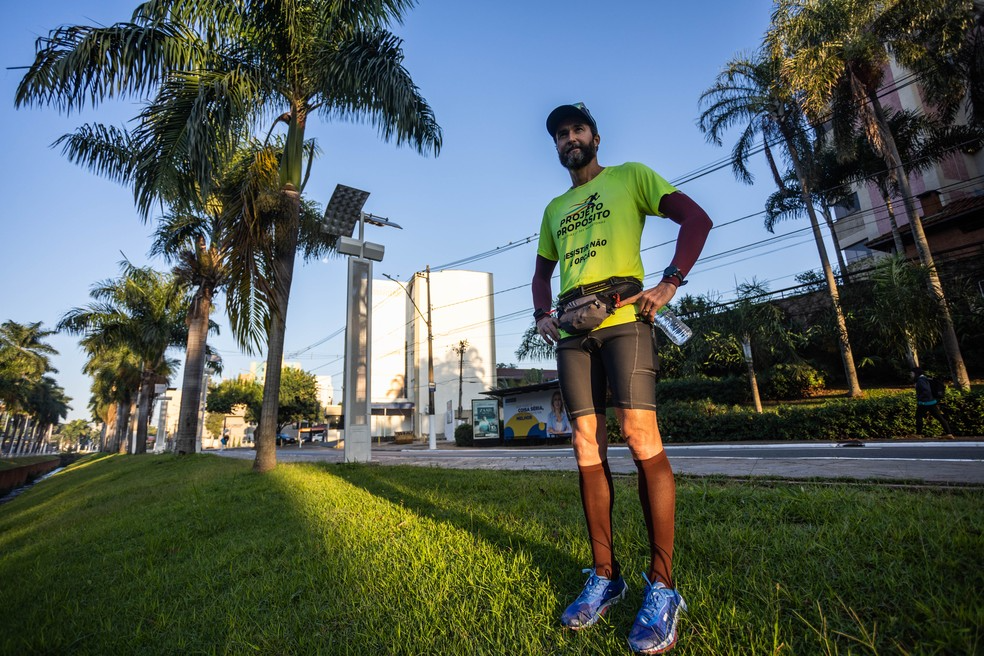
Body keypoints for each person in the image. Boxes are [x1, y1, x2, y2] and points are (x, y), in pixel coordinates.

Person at [532, 102, 712, 654]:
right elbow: (541, 273)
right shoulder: (554, 207)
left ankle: (663, 588)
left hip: (624, 317)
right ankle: (605, 577)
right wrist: (543, 315)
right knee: (586, 444)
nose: (570, 139)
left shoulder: (631, 177)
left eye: (577, 129)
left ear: (595, 136)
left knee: (639, 435)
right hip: (571, 331)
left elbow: (696, 219)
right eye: (561, 134)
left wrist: (669, 283)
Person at [912, 368, 953, 438]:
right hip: (932, 402)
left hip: (925, 403)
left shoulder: (921, 380)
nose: (911, 375)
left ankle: (918, 434)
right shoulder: (925, 379)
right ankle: (949, 434)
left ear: (916, 373)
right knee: (940, 418)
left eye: (912, 373)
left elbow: (926, 391)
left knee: (918, 417)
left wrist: (922, 400)